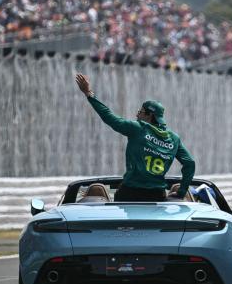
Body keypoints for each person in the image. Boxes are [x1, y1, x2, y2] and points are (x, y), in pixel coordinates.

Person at [75, 73, 195, 202]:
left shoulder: (138, 128)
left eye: (140, 112)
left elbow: (109, 117)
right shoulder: (174, 138)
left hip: (130, 192)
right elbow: (190, 163)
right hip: (157, 195)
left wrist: (89, 94)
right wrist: (181, 192)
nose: (137, 115)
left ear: (149, 116)